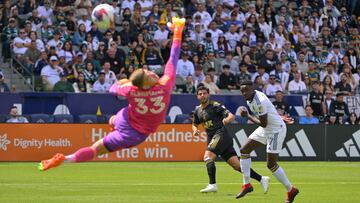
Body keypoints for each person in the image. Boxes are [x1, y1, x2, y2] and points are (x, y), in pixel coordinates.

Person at [38, 17, 185, 171]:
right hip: (134, 134)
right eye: (148, 74)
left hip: (125, 118)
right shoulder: (165, 85)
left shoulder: (131, 90)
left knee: (104, 134)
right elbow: (173, 57)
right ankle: (67, 159)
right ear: (145, 84)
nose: (153, 73)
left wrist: (124, 82)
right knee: (96, 151)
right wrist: (177, 32)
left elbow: (113, 89)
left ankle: (68, 155)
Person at [192, 86, 269, 194]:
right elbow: (195, 124)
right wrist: (195, 130)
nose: (202, 95)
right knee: (237, 166)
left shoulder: (215, 106)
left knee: (207, 157)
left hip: (220, 135)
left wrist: (226, 120)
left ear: (208, 94)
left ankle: (212, 184)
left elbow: (231, 116)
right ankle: (262, 179)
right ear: (197, 96)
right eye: (200, 94)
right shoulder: (197, 110)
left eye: (204, 93)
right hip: (217, 139)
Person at [237, 80, 299, 202]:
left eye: (246, 90)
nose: (244, 93)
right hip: (268, 127)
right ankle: (247, 185)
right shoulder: (251, 97)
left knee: (271, 165)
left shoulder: (259, 101)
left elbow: (264, 123)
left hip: (275, 131)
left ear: (252, 89)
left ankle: (291, 190)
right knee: (244, 150)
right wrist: (278, 116)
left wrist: (247, 116)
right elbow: (268, 113)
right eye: (242, 91)